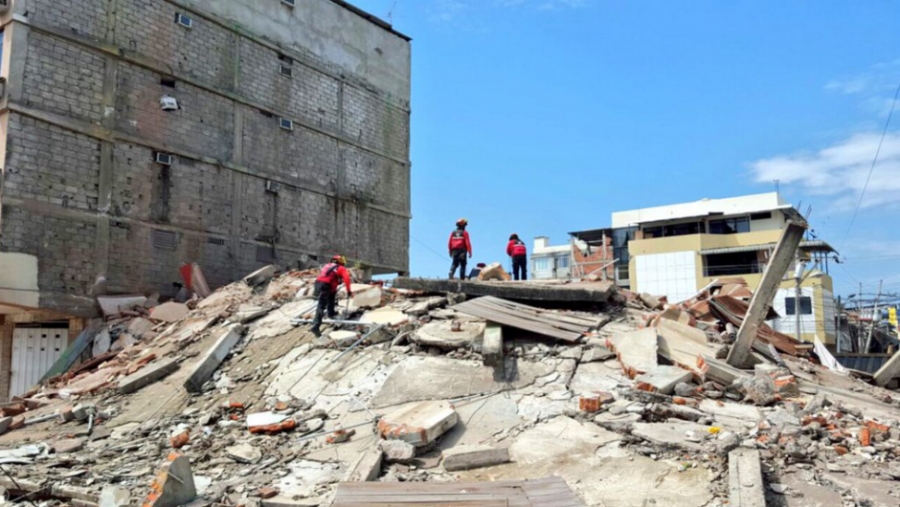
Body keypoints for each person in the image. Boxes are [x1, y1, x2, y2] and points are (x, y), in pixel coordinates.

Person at [311, 255, 352, 337]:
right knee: (321, 305)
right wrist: (348, 291)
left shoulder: (327, 266)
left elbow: (327, 278)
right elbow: (347, 279)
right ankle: (316, 325)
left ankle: (331, 312)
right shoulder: (341, 268)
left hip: (319, 284)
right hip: (326, 285)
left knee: (332, 296)